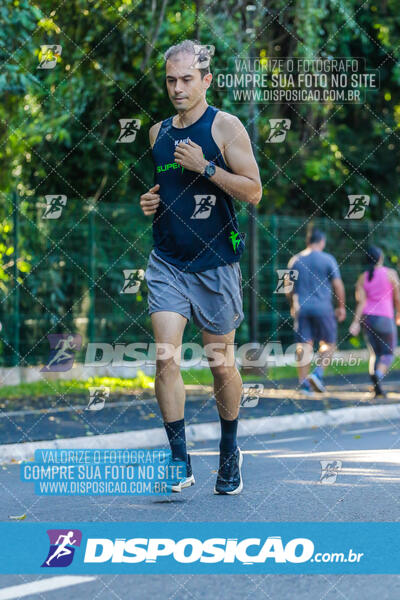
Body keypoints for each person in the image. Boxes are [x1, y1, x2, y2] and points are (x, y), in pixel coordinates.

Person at [139, 40, 262, 494]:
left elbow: (253, 192)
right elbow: (165, 188)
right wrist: (151, 201)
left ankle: (229, 449)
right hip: (168, 260)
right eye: (171, 80)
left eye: (187, 79)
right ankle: (179, 459)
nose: (177, 88)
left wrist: (206, 166)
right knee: (165, 357)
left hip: (216, 264)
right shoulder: (157, 134)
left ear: (206, 80)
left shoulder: (226, 127)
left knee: (221, 365)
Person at [286, 228, 346, 394]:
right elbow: (338, 285)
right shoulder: (328, 259)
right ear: (322, 242)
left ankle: (303, 383)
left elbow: (287, 288)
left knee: (304, 345)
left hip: (302, 308)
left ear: (307, 242)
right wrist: (341, 307)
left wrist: (292, 304)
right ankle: (318, 374)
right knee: (329, 342)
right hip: (323, 308)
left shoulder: (295, 260)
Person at [349, 246, 400, 398]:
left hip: (367, 319)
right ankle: (378, 374)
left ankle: (376, 385)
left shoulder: (363, 277)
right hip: (385, 318)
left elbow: (362, 302)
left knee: (375, 353)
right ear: (380, 258)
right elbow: (397, 298)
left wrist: (356, 322)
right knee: (388, 353)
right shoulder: (390, 274)